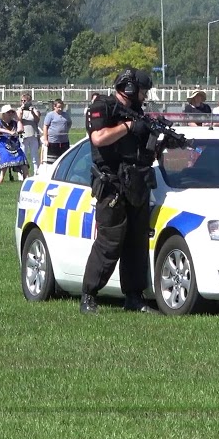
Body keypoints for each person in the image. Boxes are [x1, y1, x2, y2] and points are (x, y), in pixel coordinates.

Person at [81, 69, 159, 315]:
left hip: (136, 185)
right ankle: (89, 295)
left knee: (136, 243)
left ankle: (134, 297)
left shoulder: (138, 114)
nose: (144, 96)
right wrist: (128, 126)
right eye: (142, 91)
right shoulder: (102, 107)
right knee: (110, 242)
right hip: (112, 185)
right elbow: (99, 138)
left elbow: (145, 153)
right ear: (129, 89)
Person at [0, 105, 26, 184]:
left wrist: (18, 119)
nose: (10, 114)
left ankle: (26, 178)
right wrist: (9, 132)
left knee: (22, 155)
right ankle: (1, 178)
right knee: (5, 155)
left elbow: (21, 129)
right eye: (8, 112)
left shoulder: (14, 123)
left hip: (13, 146)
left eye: (11, 112)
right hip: (0, 145)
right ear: (4, 114)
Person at [41, 99, 72, 165]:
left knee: (65, 160)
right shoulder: (50, 115)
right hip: (53, 141)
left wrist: (66, 130)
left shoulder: (66, 115)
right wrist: (46, 139)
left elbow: (69, 123)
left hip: (64, 141)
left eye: (62, 107)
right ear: (54, 107)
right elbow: (45, 127)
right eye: (59, 107)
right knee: (52, 161)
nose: (60, 109)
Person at [17, 93, 41, 173]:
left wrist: (32, 112)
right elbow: (18, 119)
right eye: (22, 101)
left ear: (29, 101)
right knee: (23, 154)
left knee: (34, 155)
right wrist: (22, 110)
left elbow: (37, 120)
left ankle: (36, 173)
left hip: (33, 134)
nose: (23, 102)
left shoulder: (34, 110)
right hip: (23, 135)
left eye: (25, 100)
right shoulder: (19, 110)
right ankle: (22, 173)